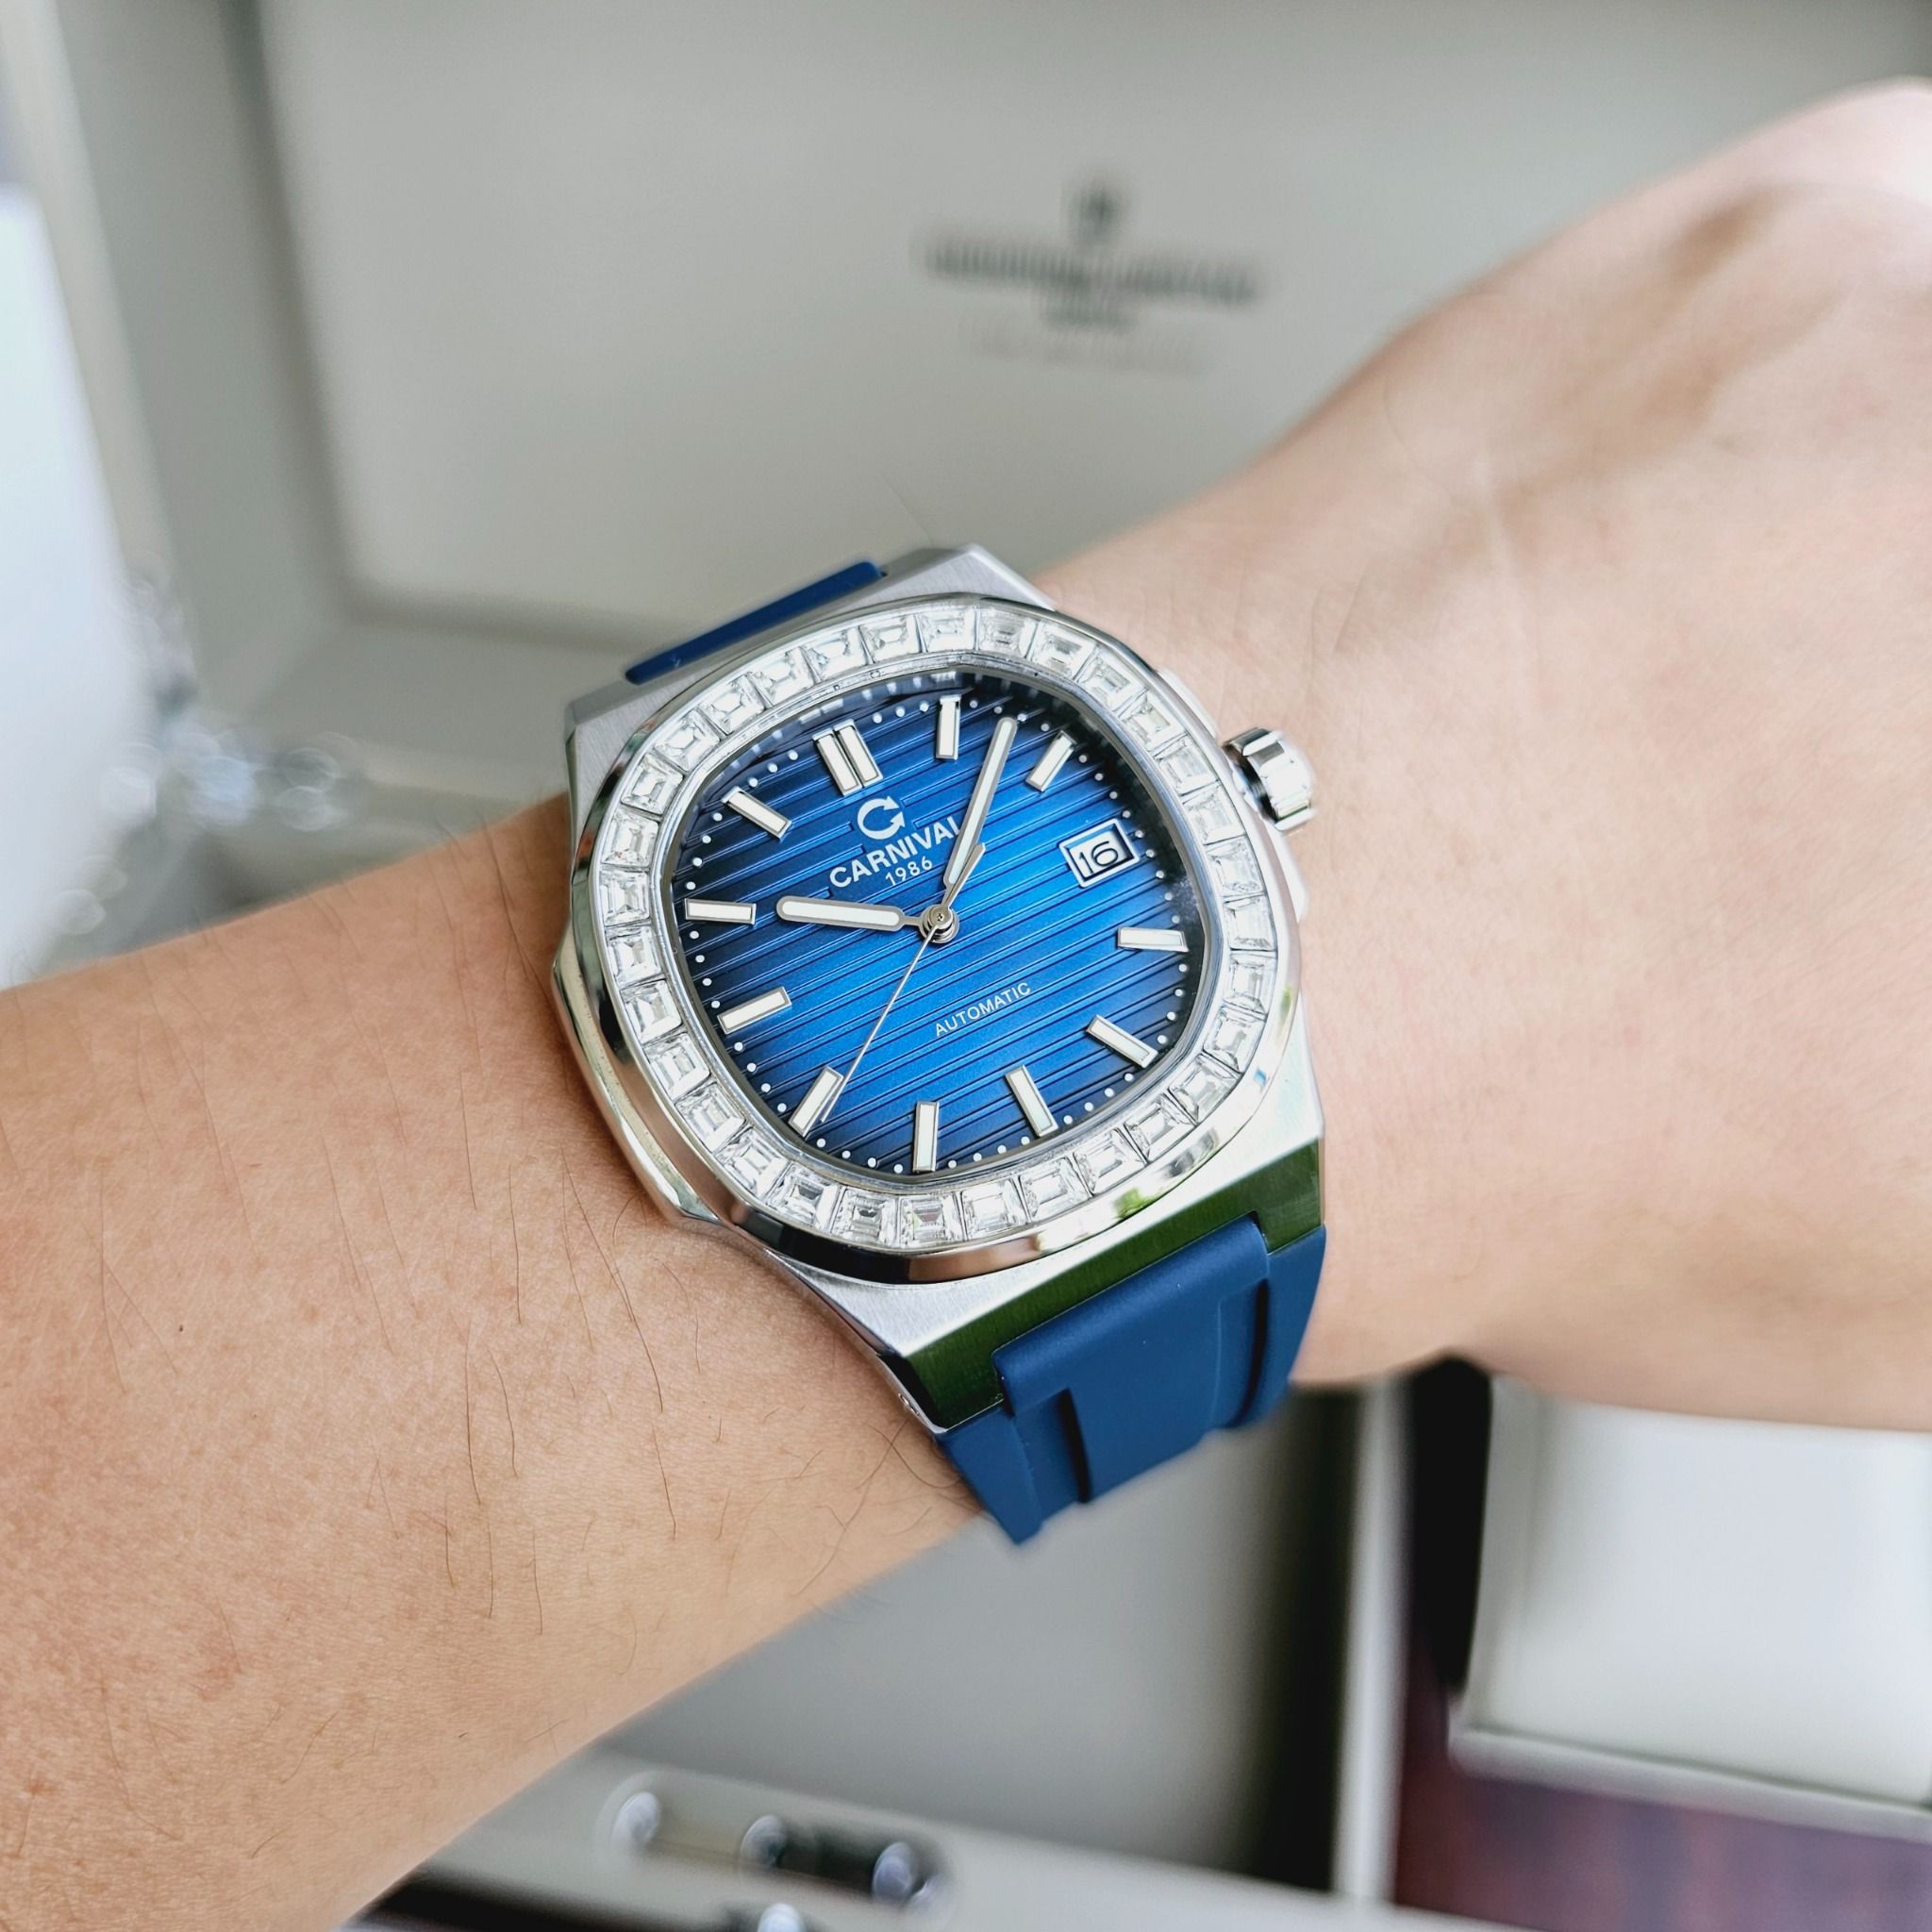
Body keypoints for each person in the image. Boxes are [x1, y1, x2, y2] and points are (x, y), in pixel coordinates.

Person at [4, 83, 1929, 1932]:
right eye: (925, 905)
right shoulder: (738, 1033)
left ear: (1246, 794)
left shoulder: (1126, 869)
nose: (936, 915)